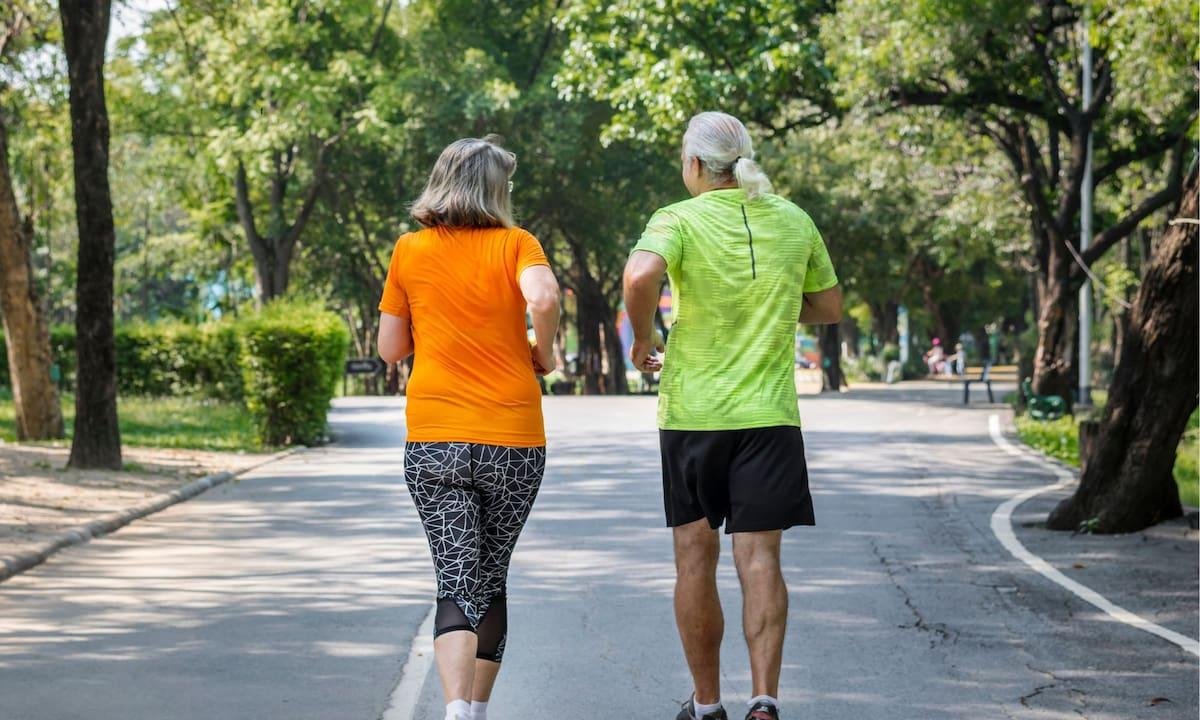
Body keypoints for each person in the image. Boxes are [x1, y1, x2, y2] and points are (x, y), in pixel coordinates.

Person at [623, 111, 842, 720]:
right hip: (769, 417)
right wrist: (766, 303)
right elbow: (827, 306)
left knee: (696, 556)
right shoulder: (793, 218)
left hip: (693, 415)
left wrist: (642, 341)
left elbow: (641, 274)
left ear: (694, 165)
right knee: (761, 558)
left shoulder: (678, 218)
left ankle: (709, 704)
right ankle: (765, 701)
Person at [376, 135, 560, 720]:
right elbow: (545, 296)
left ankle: (454, 710)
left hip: (435, 439)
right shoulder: (517, 244)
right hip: (512, 438)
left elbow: (389, 348)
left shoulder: (409, 250)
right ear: (494, 189)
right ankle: (477, 711)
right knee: (491, 573)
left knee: (456, 576)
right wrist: (545, 352)